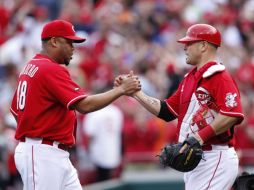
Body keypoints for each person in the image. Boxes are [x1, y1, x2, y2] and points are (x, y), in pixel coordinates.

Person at [9, 20, 141, 190]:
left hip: (50, 151)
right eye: (69, 42)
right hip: (42, 153)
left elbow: (16, 112)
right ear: (54, 41)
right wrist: (121, 90)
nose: (73, 48)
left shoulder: (31, 66)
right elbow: (84, 106)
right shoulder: (50, 68)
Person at [116, 24, 244, 190]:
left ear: (204, 45)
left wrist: (199, 137)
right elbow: (167, 111)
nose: (185, 47)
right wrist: (136, 93)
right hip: (198, 159)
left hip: (215, 156)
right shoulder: (189, 78)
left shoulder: (219, 76)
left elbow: (232, 114)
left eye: (190, 43)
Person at [83, 102, 124, 182]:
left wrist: (88, 151)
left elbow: (90, 135)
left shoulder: (94, 111)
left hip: (98, 153)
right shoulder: (116, 111)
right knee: (110, 180)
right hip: (113, 152)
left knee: (100, 181)